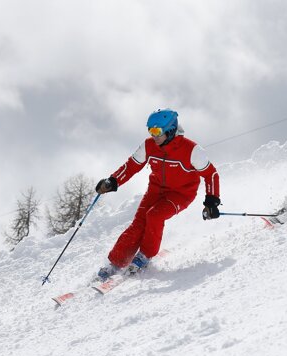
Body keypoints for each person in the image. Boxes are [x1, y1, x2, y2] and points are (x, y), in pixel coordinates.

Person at [93, 109, 221, 280]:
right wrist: (113, 181)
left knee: (154, 216)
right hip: (155, 190)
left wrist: (211, 202)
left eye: (157, 131)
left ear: (170, 130)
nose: (153, 136)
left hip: (181, 194)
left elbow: (211, 174)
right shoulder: (148, 145)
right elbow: (131, 166)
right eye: (150, 130)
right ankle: (116, 262)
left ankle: (145, 256)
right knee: (139, 223)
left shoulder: (191, 150)